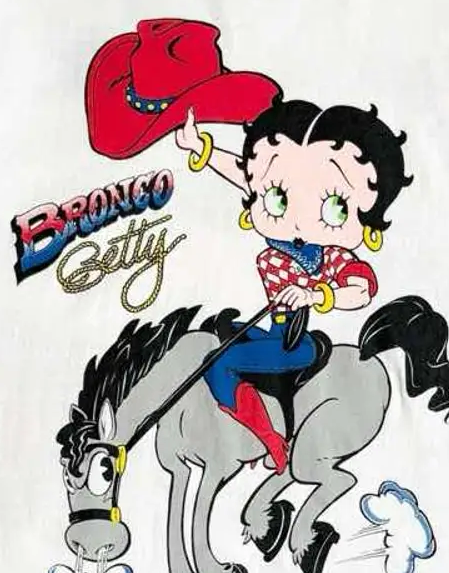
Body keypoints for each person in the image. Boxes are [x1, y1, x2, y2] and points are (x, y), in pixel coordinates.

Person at [176, 95, 411, 471]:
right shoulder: (277, 232)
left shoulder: (330, 257)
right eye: (279, 197)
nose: (300, 216)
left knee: (217, 365)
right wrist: (200, 147)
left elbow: (361, 289)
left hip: (294, 342)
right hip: (274, 330)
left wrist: (314, 293)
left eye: (335, 206)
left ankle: (272, 443)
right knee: (220, 333)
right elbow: (246, 175)